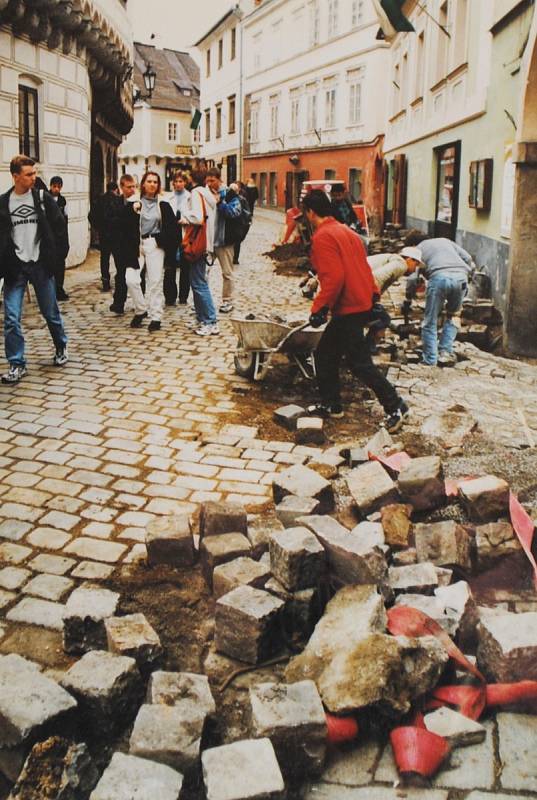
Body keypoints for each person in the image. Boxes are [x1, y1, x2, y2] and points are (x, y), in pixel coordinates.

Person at [302, 189, 408, 433]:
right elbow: (362, 268)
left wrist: (319, 308)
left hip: (349, 306)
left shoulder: (323, 237)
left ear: (310, 212)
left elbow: (334, 278)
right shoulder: (348, 233)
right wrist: (373, 294)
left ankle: (396, 406)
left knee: (358, 363)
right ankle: (332, 405)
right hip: (360, 302)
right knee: (326, 355)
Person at [0, 155, 68, 385]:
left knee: (50, 312)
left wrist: (55, 258)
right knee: (11, 317)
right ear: (16, 176)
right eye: (29, 174)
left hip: (40, 264)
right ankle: (17, 364)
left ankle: (60, 345)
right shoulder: (4, 203)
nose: (33, 177)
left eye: (34, 173)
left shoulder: (42, 198)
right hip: (15, 267)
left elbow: (60, 227)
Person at [405, 235, 474, 367]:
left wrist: (408, 298)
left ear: (413, 245)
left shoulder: (418, 249)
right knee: (453, 316)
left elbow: (412, 278)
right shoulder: (445, 241)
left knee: (430, 321)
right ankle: (445, 351)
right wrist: (469, 275)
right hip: (461, 278)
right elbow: (468, 258)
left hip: (439, 278)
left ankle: (430, 360)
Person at [122, 171, 179, 332]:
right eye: (149, 181)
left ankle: (156, 316)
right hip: (137, 245)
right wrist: (131, 212)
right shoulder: (134, 202)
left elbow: (172, 227)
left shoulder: (164, 203)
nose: (152, 184)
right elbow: (123, 225)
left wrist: (161, 239)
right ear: (143, 184)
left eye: (155, 182)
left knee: (154, 282)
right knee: (131, 279)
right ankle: (141, 309)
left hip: (155, 243)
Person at [180, 168, 219, 336]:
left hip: (198, 244)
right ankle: (202, 318)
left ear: (192, 178)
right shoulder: (207, 194)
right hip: (206, 243)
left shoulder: (196, 193)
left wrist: (184, 214)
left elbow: (197, 217)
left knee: (199, 284)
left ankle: (210, 321)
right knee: (198, 282)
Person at [206, 167, 242, 314]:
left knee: (227, 273)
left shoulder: (230, 193)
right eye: (207, 181)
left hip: (224, 241)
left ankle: (228, 301)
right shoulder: (204, 193)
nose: (209, 183)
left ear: (219, 179)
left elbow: (235, 212)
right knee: (203, 272)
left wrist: (220, 203)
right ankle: (204, 301)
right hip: (208, 239)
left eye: (212, 180)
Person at [109, 175, 137, 315]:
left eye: (134, 186)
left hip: (134, 243)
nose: (132, 190)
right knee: (120, 274)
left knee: (137, 274)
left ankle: (139, 302)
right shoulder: (116, 202)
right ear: (122, 187)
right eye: (129, 187)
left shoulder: (138, 202)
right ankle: (118, 303)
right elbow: (111, 220)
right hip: (120, 244)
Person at [89, 180, 120, 293]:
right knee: (118, 257)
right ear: (116, 189)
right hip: (116, 233)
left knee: (105, 258)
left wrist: (97, 227)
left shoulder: (99, 200)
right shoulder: (118, 200)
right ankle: (120, 278)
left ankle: (105, 281)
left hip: (104, 234)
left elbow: (91, 216)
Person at [166, 170, 191, 306]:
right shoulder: (168, 197)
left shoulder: (190, 197)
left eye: (180, 181)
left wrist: (186, 219)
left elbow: (195, 214)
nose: (178, 184)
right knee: (170, 266)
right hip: (171, 234)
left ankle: (183, 296)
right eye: (175, 181)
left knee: (185, 267)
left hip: (185, 233)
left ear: (185, 182)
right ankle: (170, 296)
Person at [49, 176, 70, 301]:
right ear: (51, 186)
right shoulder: (46, 199)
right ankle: (50, 290)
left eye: (58, 186)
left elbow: (66, 218)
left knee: (60, 265)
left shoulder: (63, 201)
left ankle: (59, 288)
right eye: (54, 186)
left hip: (60, 237)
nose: (56, 189)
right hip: (50, 237)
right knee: (50, 265)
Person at [231, 181, 252, 265]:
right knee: (237, 242)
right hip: (240, 224)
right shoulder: (241, 199)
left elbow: (246, 212)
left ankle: (234, 258)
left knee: (235, 241)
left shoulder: (241, 199)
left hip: (238, 223)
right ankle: (235, 258)